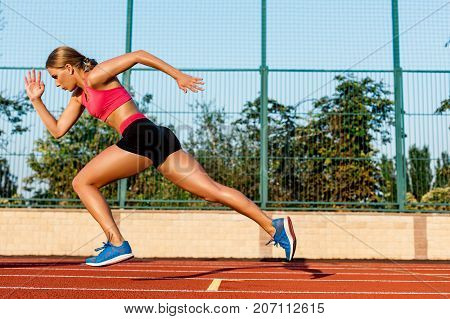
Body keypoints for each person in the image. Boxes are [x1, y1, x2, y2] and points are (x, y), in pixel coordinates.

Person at [24, 46, 296, 266]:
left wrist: (177, 75)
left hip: (140, 135)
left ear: (69, 68)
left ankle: (117, 243)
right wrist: (37, 100)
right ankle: (274, 226)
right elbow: (58, 130)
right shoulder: (78, 97)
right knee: (211, 190)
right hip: (156, 137)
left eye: (56, 77)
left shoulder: (96, 76)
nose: (55, 83)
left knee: (82, 183)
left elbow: (139, 55)